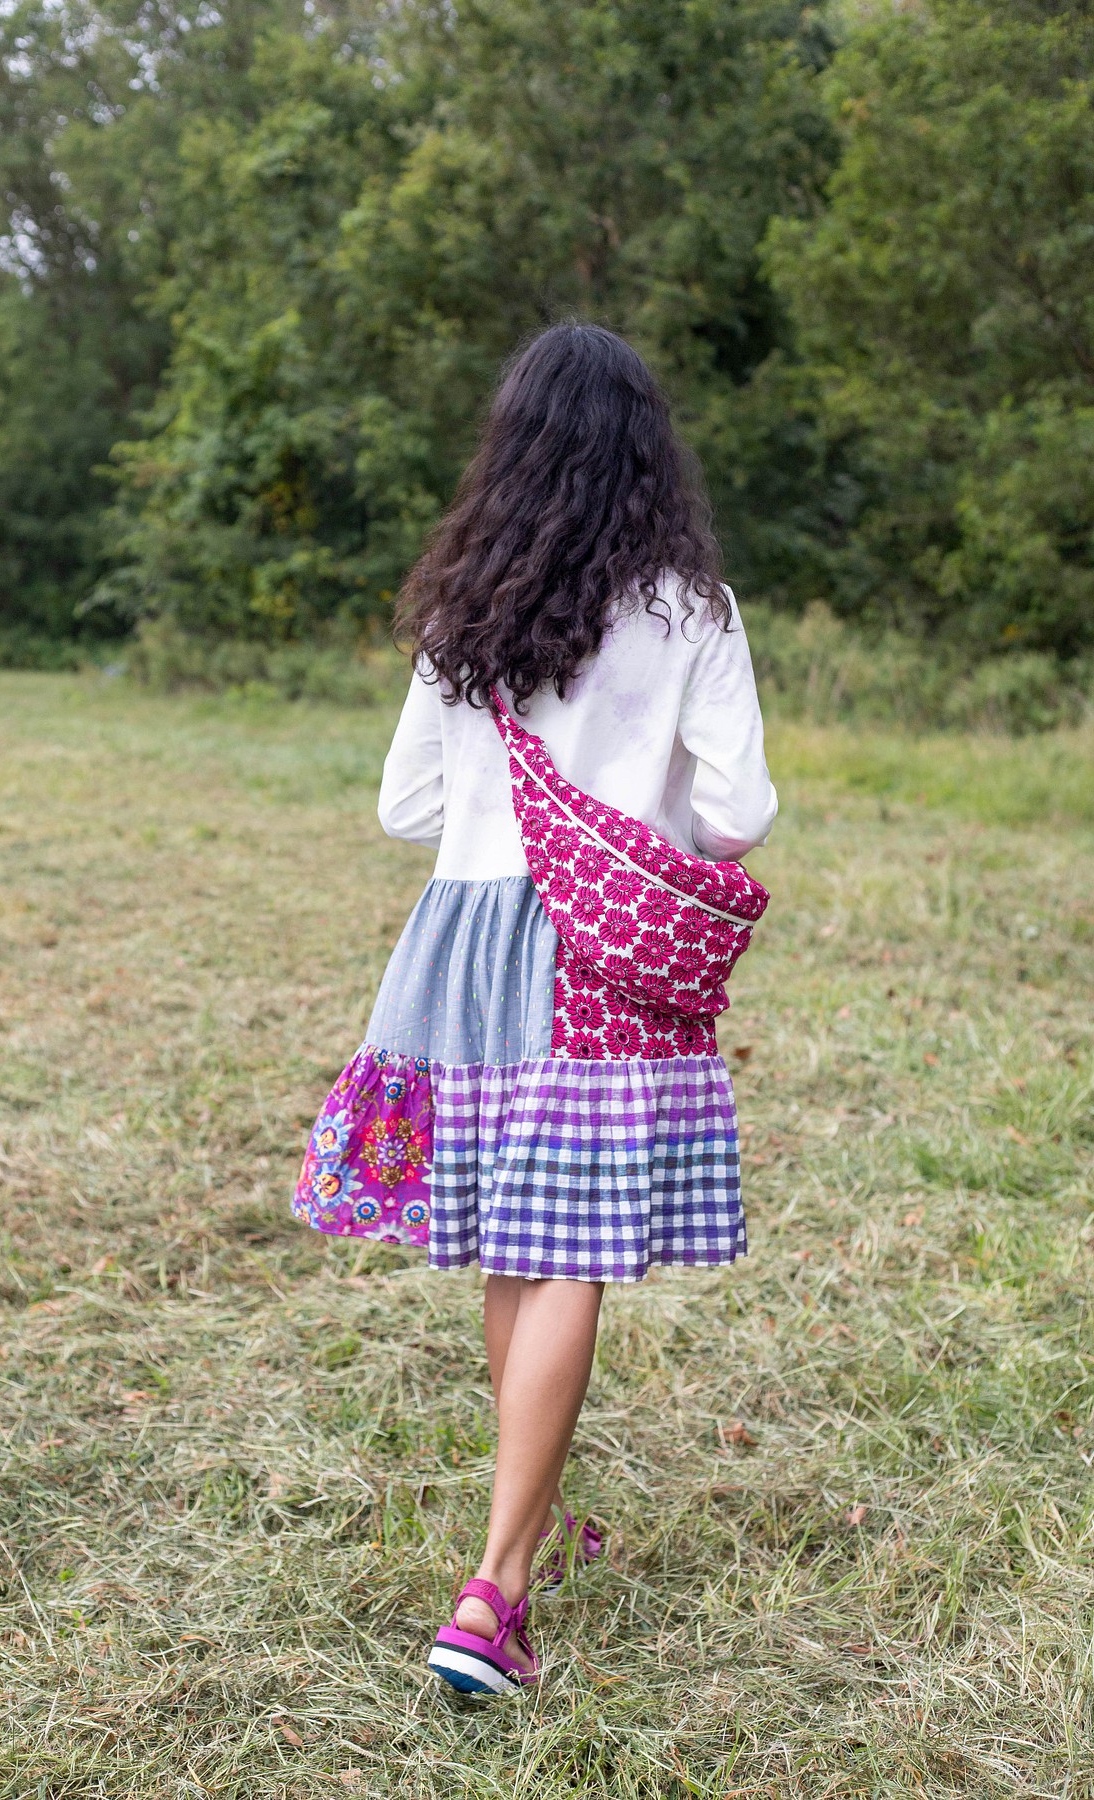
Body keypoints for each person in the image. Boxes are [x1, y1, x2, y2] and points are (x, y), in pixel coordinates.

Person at [292, 321, 778, 1695]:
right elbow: (741, 813)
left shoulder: (466, 601)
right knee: (566, 1253)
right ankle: (494, 1592)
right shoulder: (690, 609)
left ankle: (540, 1526)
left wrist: (513, 812)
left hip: (460, 946)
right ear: (647, 451)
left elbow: (407, 806)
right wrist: (631, 828)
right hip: (590, 961)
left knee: (522, 1242)